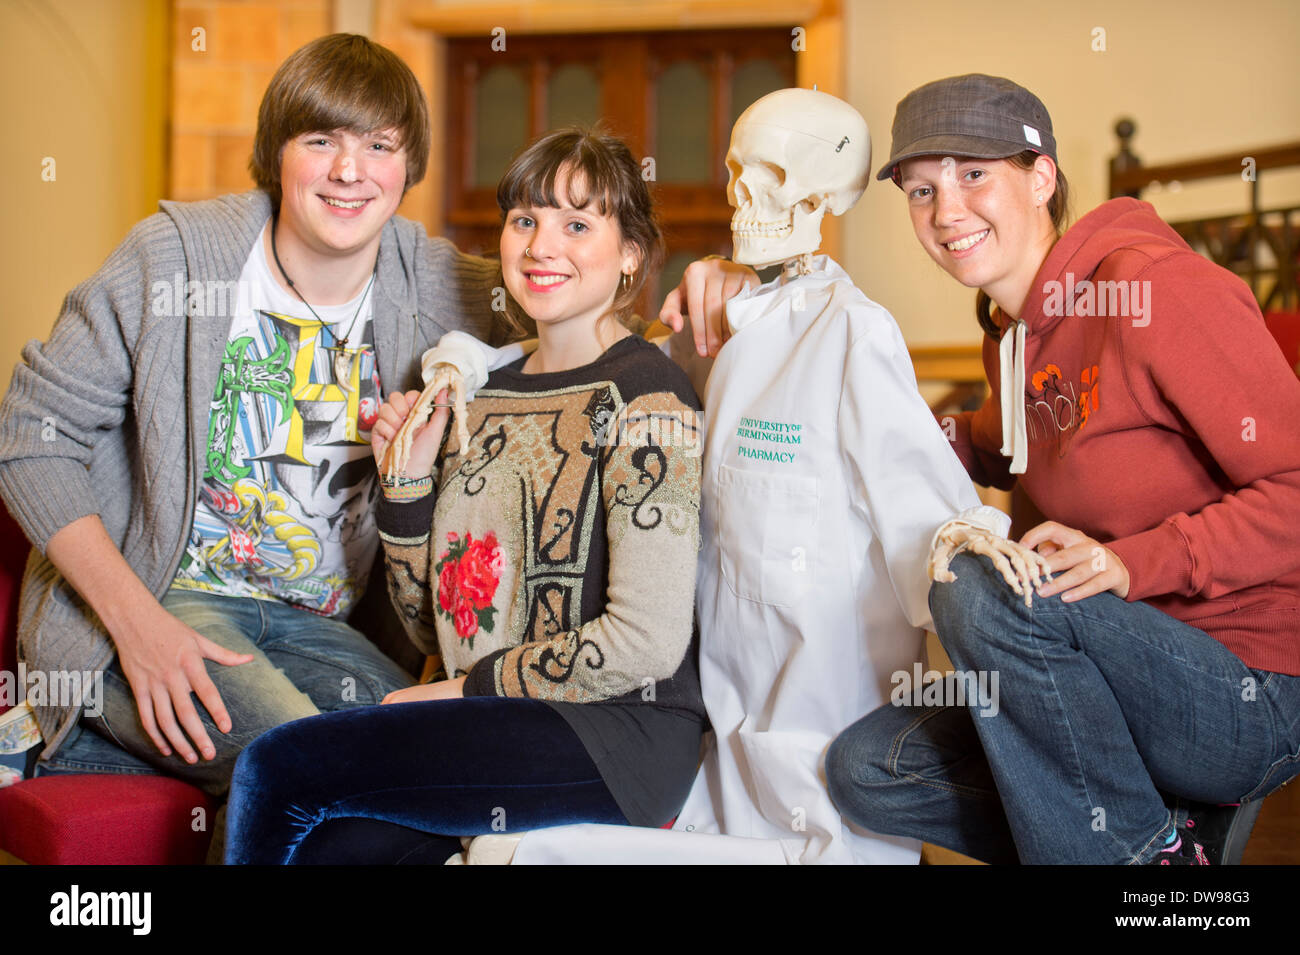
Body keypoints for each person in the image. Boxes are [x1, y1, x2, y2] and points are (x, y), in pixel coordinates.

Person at [0, 34, 736, 805]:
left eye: (379, 145)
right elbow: (29, 438)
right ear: (276, 153)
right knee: (312, 764)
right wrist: (137, 626)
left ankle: (94, 748)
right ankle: (83, 708)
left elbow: (584, 310)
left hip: (321, 629)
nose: (349, 172)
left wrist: (724, 280)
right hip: (167, 598)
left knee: (435, 752)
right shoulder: (175, 261)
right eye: (320, 141)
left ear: (407, 166)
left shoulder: (442, 282)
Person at [823, 73, 1300, 865]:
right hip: (1102, 691)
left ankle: (1138, 858)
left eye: (974, 174)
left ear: (1041, 176)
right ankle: (1157, 842)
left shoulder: (1155, 290)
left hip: (1244, 691)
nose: (946, 212)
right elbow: (983, 441)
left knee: (971, 578)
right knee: (870, 768)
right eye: (919, 190)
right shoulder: (1013, 336)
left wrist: (1133, 560)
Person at [223, 128, 705, 864]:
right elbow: (436, 630)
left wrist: (465, 690)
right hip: (499, 720)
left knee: (276, 767)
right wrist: (407, 487)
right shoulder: (487, 393)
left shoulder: (651, 397)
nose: (543, 246)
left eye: (577, 224)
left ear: (631, 254)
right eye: (524, 221)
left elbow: (648, 642)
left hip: (617, 737)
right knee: (336, 849)